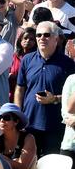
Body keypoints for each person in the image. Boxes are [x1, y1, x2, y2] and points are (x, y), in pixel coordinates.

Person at [15, 21, 75, 156]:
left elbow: (72, 96)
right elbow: (20, 88)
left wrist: (53, 99)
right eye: (38, 35)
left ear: (56, 38)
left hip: (55, 125)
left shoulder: (68, 64)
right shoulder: (27, 59)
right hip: (29, 123)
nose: (42, 38)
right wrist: (17, 114)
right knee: (28, 162)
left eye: (46, 35)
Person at [0, 103, 37, 169]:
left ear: (16, 121)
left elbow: (23, 167)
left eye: (6, 117)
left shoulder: (28, 138)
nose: (2, 120)